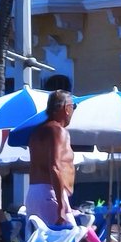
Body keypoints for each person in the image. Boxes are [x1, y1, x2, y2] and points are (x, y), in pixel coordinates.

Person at [26, 89, 77, 227]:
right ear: (67, 108)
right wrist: (61, 204)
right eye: (73, 107)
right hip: (50, 193)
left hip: (34, 193)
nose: (73, 111)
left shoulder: (37, 132)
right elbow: (55, 167)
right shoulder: (58, 130)